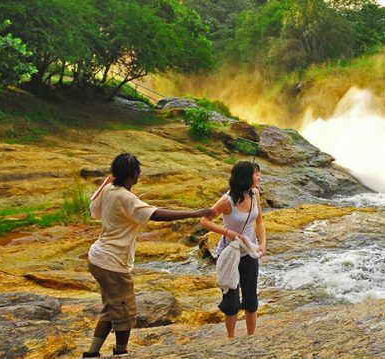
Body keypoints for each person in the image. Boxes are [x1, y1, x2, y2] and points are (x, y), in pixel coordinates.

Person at [83, 153, 214, 358]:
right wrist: (197, 212)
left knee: (111, 308)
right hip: (112, 263)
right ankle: (121, 352)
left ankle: (92, 353)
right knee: (125, 312)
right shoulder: (126, 197)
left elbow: (95, 211)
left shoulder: (109, 189)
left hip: (98, 258)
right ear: (135, 174)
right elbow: (158, 215)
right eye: (137, 173)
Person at [200, 160, 267, 338]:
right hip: (229, 253)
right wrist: (228, 232)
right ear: (246, 177)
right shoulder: (227, 200)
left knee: (251, 298)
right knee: (231, 301)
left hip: (249, 252)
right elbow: (204, 221)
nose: (259, 176)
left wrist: (262, 243)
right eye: (256, 173)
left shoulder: (254, 194)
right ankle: (231, 340)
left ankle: (251, 338)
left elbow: (259, 221)